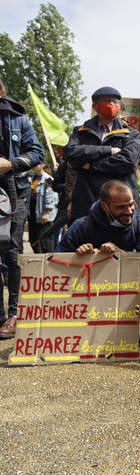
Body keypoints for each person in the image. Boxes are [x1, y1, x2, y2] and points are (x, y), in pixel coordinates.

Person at [0, 77, 44, 338]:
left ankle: (15, 314)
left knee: (12, 251)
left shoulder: (18, 119)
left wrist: (10, 164)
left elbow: (37, 153)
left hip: (13, 190)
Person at [64, 86, 140, 221]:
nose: (112, 104)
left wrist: (92, 165)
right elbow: (71, 153)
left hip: (121, 207)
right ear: (95, 106)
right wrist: (108, 151)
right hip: (86, 205)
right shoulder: (80, 132)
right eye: (107, 100)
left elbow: (127, 161)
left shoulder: (131, 134)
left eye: (116, 101)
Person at [57, 180, 140, 254]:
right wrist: (78, 255)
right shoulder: (82, 227)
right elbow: (57, 259)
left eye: (131, 204)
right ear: (104, 206)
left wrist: (120, 255)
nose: (129, 211)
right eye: (121, 207)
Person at [28, 163, 58, 253]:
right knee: (34, 239)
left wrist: (46, 213)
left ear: (42, 165)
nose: (33, 165)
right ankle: (39, 260)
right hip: (33, 212)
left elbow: (51, 197)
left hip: (43, 213)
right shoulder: (33, 178)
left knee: (45, 241)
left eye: (36, 163)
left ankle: (47, 263)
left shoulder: (48, 179)